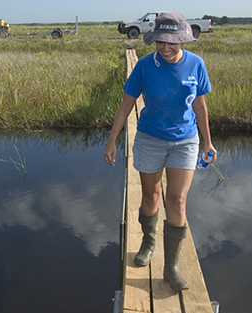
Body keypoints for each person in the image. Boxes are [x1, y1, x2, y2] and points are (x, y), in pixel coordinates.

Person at [103, 12, 217, 291]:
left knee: (177, 201)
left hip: (185, 141)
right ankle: (148, 241)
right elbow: (126, 103)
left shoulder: (196, 64)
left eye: (172, 43)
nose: (166, 48)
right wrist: (112, 139)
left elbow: (200, 106)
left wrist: (208, 142)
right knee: (151, 196)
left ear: (183, 41)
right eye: (160, 42)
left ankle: (171, 267)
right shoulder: (144, 66)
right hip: (150, 139)